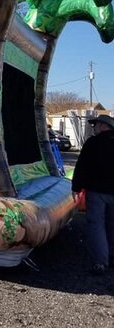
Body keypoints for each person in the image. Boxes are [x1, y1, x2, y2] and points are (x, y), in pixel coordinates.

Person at [72, 114, 114, 275]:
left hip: (97, 191)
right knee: (112, 224)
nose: (93, 128)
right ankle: (112, 255)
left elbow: (82, 166)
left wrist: (76, 187)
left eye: (95, 125)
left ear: (103, 126)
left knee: (96, 225)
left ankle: (101, 263)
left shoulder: (93, 143)